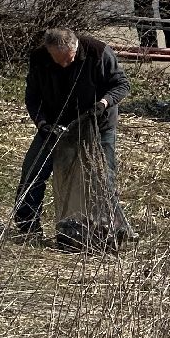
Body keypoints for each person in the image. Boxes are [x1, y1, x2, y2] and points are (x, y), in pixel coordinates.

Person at [14, 28, 133, 246]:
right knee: (33, 170)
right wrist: (42, 123)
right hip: (54, 124)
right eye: (57, 61)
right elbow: (32, 97)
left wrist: (103, 103)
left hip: (97, 123)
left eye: (67, 61)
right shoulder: (39, 58)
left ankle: (109, 229)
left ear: (75, 47)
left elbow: (122, 85)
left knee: (103, 176)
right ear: (48, 52)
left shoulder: (98, 52)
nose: (63, 66)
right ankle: (27, 226)